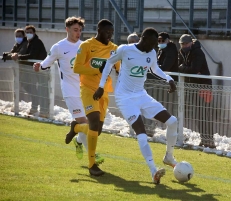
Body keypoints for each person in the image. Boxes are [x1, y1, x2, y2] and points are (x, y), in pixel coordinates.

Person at [94, 27, 178, 184]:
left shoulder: (151, 53)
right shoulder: (125, 50)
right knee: (141, 133)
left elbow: (155, 68)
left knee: (172, 121)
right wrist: (101, 85)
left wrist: (168, 78)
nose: (154, 48)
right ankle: (153, 170)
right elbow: (109, 63)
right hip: (125, 98)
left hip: (141, 95)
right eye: (152, 43)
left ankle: (169, 157)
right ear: (144, 39)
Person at [32, 17, 104, 164]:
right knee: (85, 122)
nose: (78, 33)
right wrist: (39, 66)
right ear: (67, 29)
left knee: (92, 124)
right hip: (70, 91)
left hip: (86, 90)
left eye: (80, 30)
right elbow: (46, 63)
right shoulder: (58, 47)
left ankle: (77, 140)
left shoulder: (84, 46)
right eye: (75, 30)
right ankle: (94, 154)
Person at [66, 19, 120, 176]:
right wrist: (97, 69)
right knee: (94, 122)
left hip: (104, 92)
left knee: (97, 130)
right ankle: (92, 165)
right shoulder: (86, 46)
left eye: (111, 33)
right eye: (106, 32)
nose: (109, 35)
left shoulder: (114, 49)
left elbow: (119, 69)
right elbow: (77, 67)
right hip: (88, 89)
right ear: (98, 30)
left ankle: (76, 127)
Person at [178, 34, 214, 148]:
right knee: (198, 114)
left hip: (203, 86)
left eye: (186, 44)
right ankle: (204, 139)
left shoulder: (197, 52)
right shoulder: (183, 53)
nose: (184, 46)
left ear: (191, 43)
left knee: (204, 114)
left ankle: (209, 140)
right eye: (182, 44)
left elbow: (194, 69)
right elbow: (180, 67)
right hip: (194, 86)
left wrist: (183, 68)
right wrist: (186, 69)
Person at [11, 25, 48, 117]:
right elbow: (21, 53)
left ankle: (44, 111)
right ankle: (35, 107)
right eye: (27, 32)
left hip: (41, 69)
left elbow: (32, 55)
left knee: (42, 90)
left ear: (34, 33)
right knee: (32, 88)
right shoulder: (28, 42)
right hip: (33, 69)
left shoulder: (36, 42)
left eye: (30, 32)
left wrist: (18, 57)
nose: (29, 34)